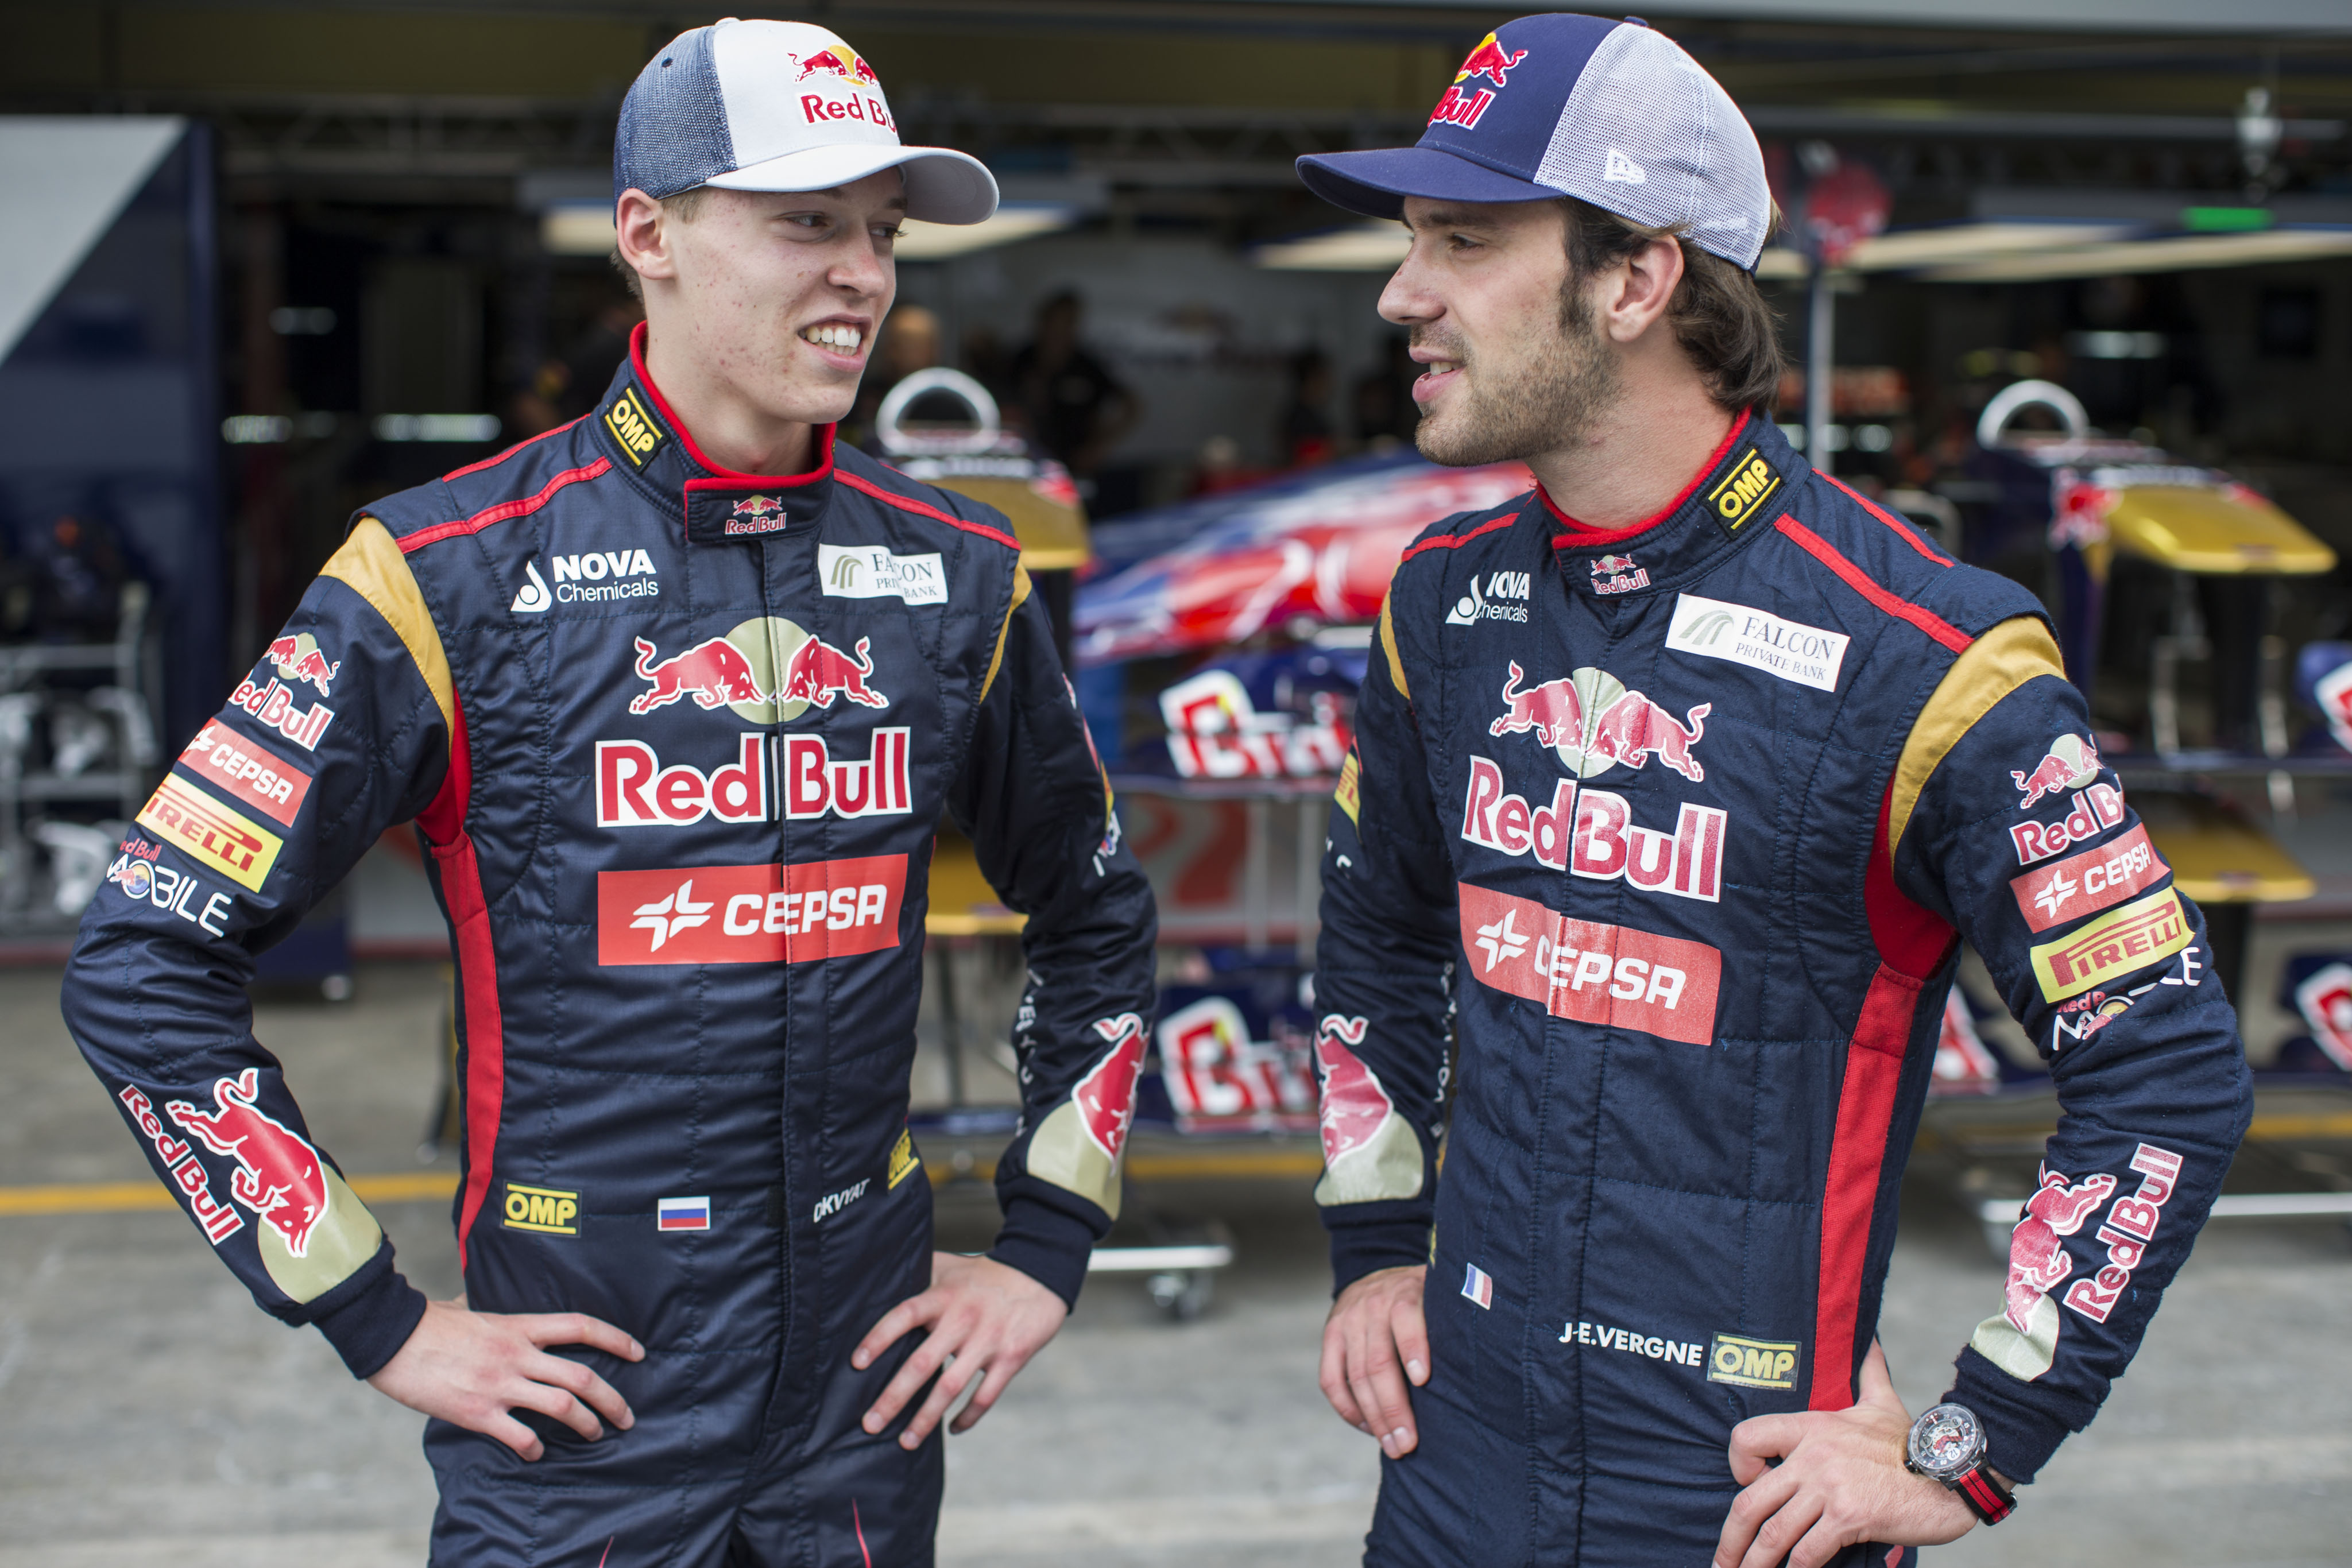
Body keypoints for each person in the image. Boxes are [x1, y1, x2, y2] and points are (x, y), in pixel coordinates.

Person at [63, 20, 1156, 1566]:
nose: (862, 273)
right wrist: (375, 1315)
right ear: (648, 234)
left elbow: (1098, 912)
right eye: (807, 221)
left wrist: (1047, 1241)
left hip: (864, 1418)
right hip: (578, 1432)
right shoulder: (441, 572)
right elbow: (145, 955)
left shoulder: (958, 572)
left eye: (883, 231)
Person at [1295, 14, 2249, 1567]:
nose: (1404, 292)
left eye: (1462, 241)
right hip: (1448, 1474)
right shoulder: (1443, 603)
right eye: (1413, 241)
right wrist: (1374, 1246)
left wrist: (1971, 1444)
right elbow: (1378, 940)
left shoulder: (1927, 653)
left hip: (1747, 1508)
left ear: (1635, 280)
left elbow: (2167, 1068)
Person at [1011, 289, 1139, 479]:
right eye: (1055, 320)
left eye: (1068, 321)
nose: (1060, 328)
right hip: (1027, 462)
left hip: (1077, 465)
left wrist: (1100, 445)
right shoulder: (1022, 360)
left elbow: (1132, 404)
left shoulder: (1087, 366)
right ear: (1043, 321)